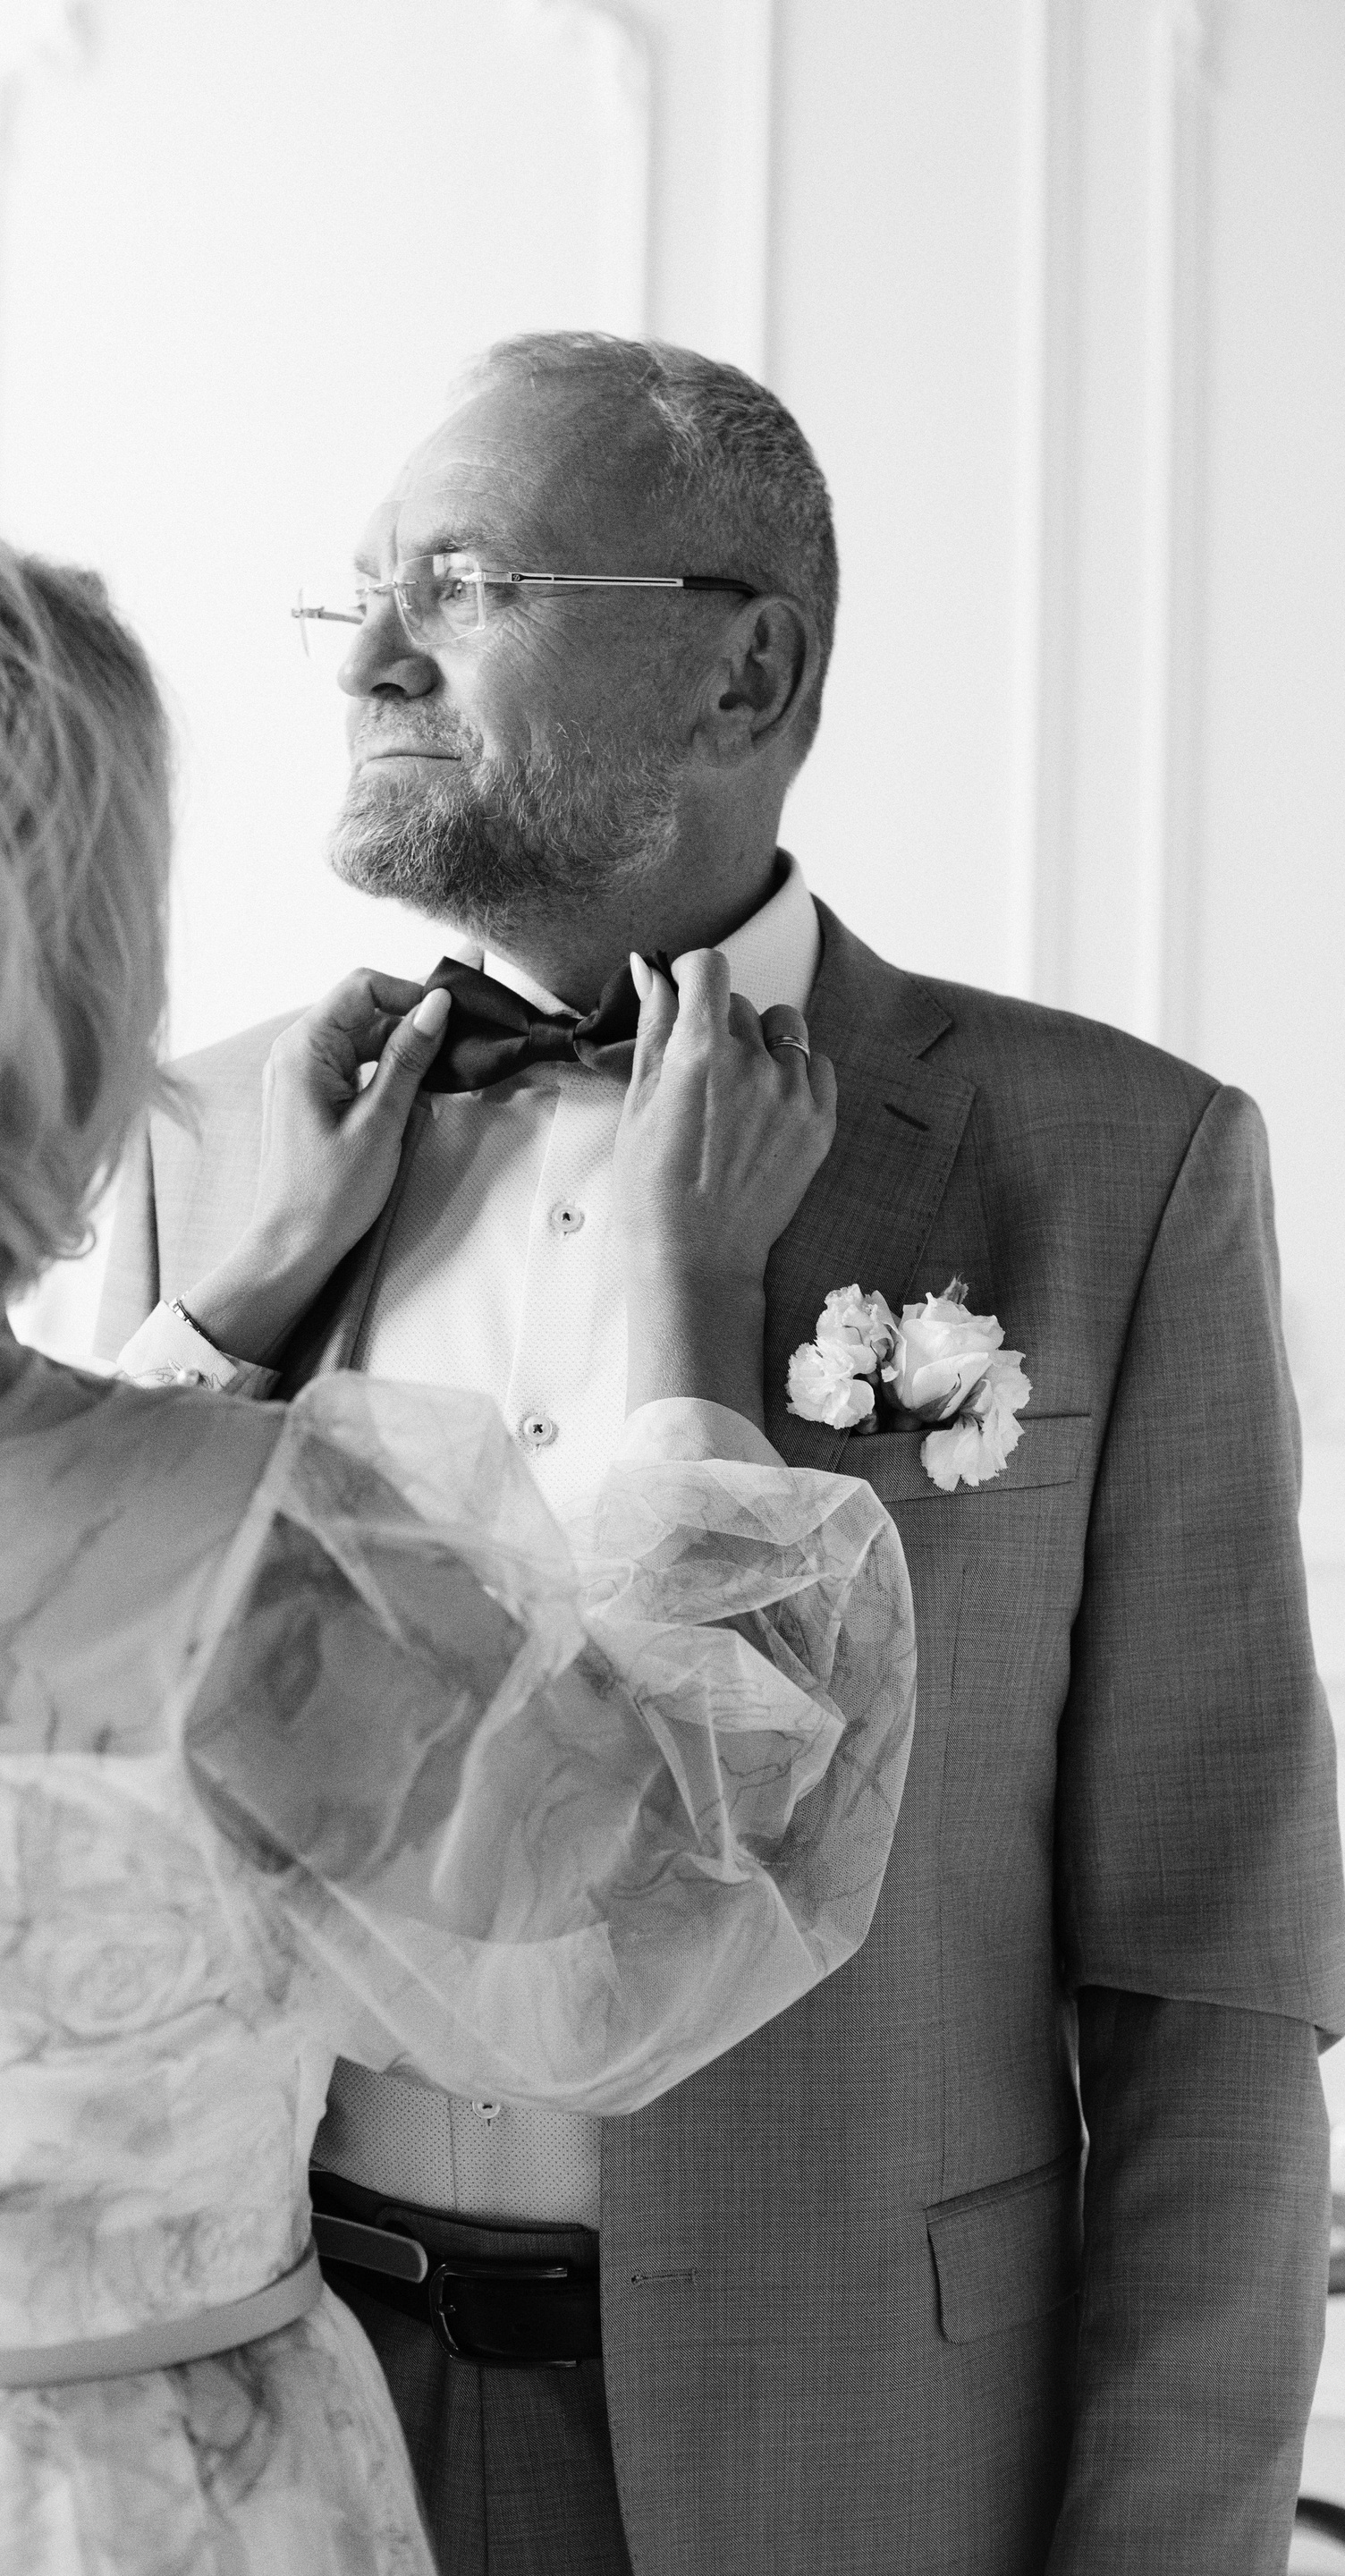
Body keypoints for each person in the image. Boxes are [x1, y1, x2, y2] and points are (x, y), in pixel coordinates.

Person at [100, 330, 1345, 2576]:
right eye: (360, 594)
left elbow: (1211, 1978)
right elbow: (68, 1829)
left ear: (743, 669)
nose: (369, 659)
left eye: (462, 585)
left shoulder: (1122, 1166)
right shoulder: (204, 1150)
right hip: (275, 2432)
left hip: (854, 2461)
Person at [0, 489, 915, 2576]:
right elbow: (667, 1886)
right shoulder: (256, 1559)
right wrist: (693, 1304)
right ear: (38, 978)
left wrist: (229, 1310)